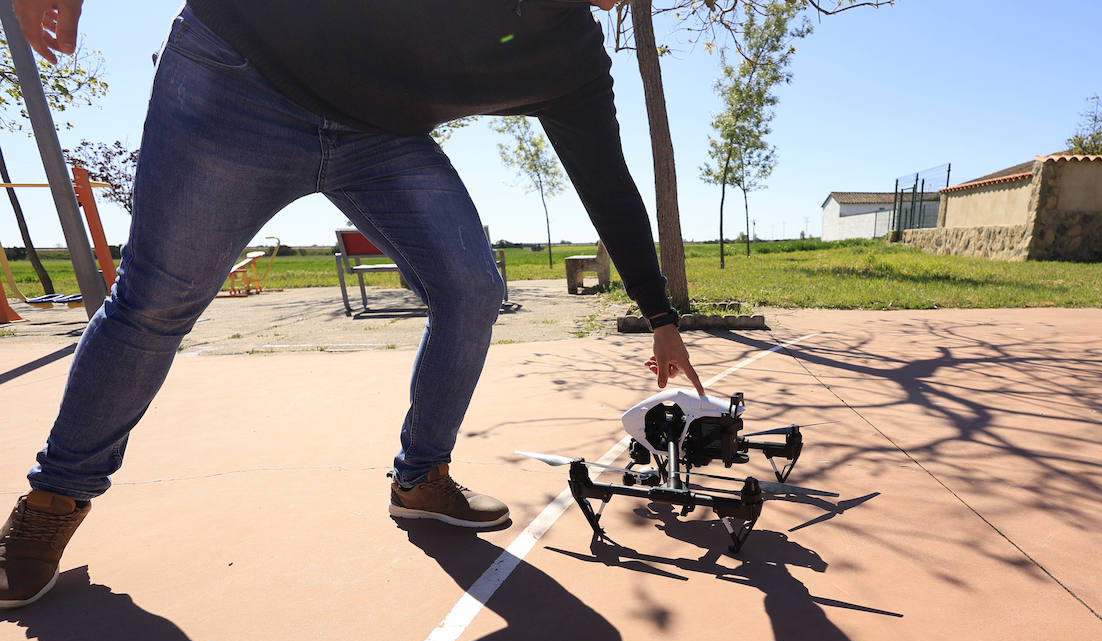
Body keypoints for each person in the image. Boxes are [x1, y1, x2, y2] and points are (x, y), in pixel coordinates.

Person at [0, 0, 705, 610]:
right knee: (158, 301)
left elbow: (607, 180)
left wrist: (661, 317)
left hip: (379, 139)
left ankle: (421, 477)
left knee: (471, 289)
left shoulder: (570, 59)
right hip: (242, 75)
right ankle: (53, 497)